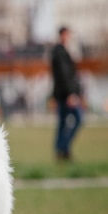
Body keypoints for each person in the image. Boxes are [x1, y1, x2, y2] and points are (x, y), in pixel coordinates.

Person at [50, 26, 83, 161]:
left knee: (63, 122)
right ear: (62, 35)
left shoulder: (60, 52)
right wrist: (71, 93)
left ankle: (61, 150)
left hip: (62, 94)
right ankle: (63, 147)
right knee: (78, 118)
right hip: (66, 94)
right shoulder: (60, 52)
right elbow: (64, 75)